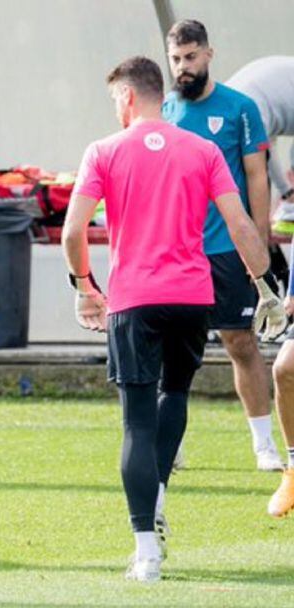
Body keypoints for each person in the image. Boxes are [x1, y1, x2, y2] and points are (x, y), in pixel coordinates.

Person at [63, 56, 283, 582]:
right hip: (192, 297)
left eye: (115, 99)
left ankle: (147, 551)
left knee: (137, 421)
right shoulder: (203, 150)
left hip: (134, 299)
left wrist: (83, 288)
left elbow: (73, 232)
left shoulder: (103, 151)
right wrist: (265, 288)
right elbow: (241, 225)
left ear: (127, 99)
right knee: (174, 397)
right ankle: (156, 496)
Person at [162, 20, 285, 471]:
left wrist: (259, 240)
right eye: (176, 58)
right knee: (173, 345)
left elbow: (256, 175)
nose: (183, 67)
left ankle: (263, 444)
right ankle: (170, 443)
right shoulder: (165, 111)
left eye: (191, 57)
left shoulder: (241, 108)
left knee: (241, 342)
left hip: (227, 248)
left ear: (209, 54)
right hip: (179, 250)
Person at [226, 56, 294, 233]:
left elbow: (263, 151)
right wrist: (286, 192)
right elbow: (263, 150)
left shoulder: (240, 107)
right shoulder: (246, 109)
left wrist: (286, 192)